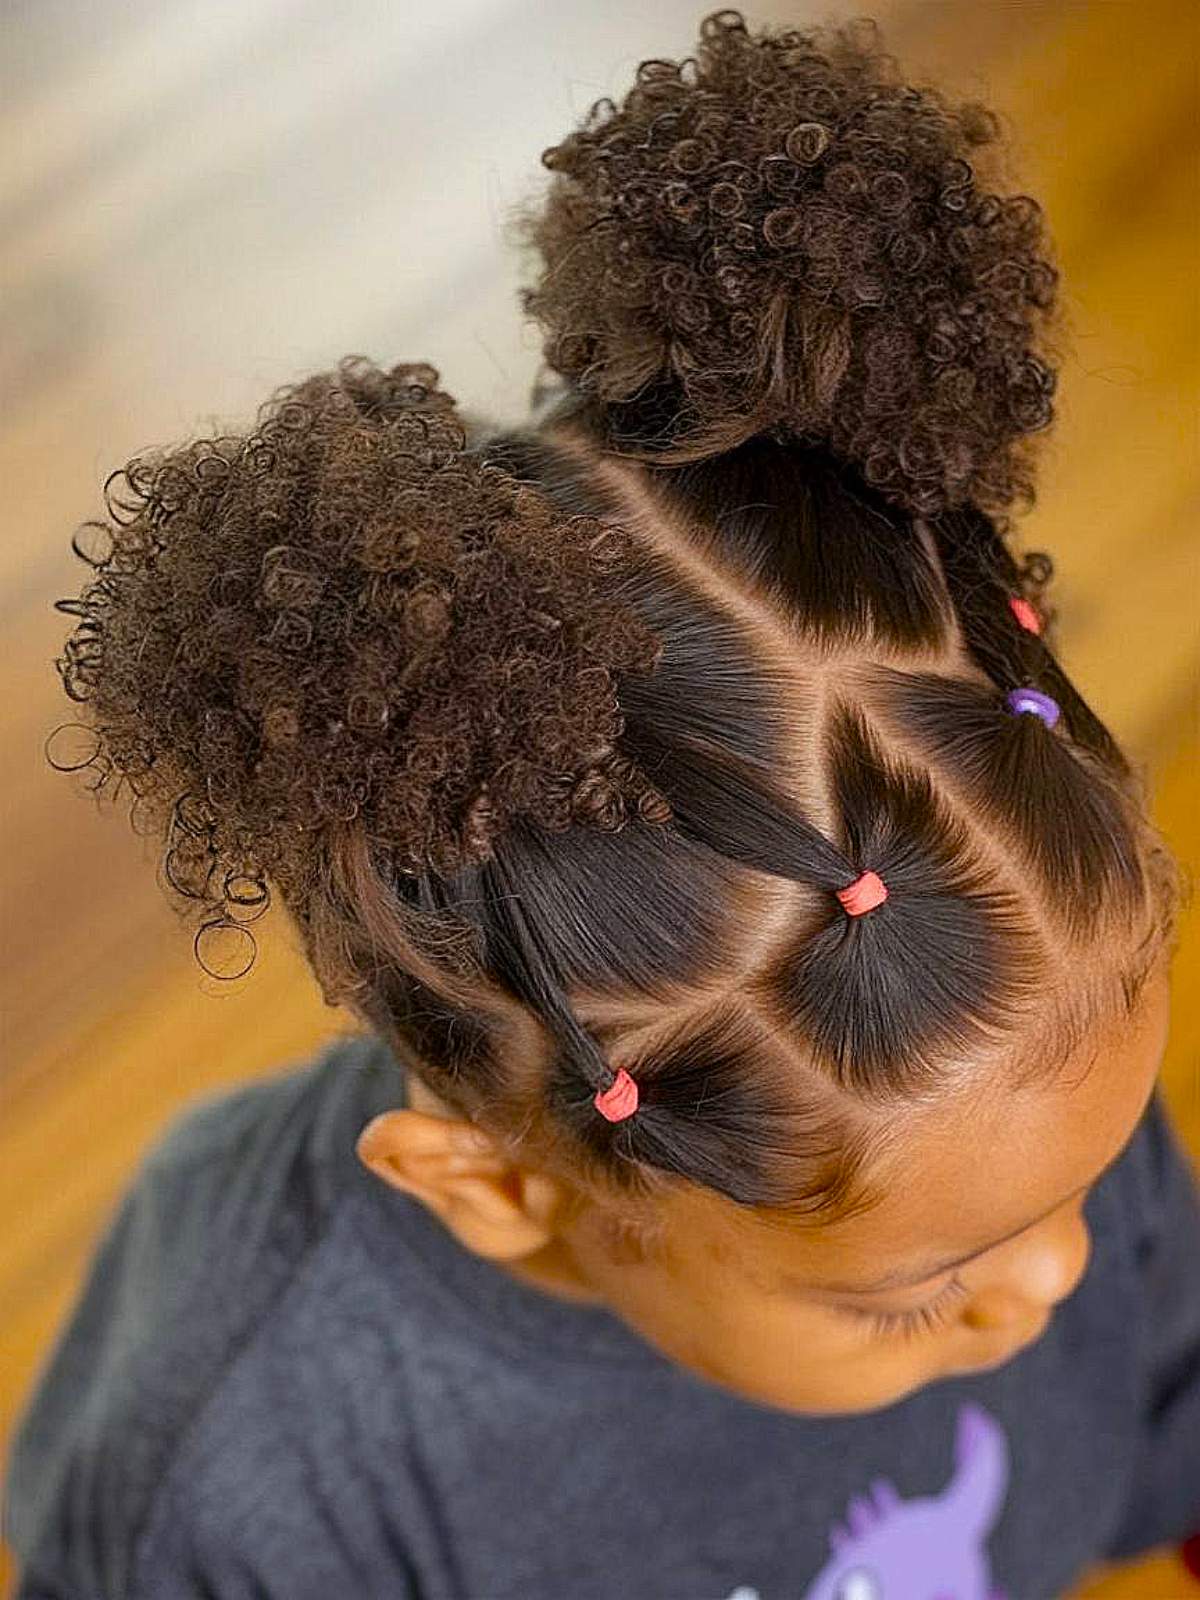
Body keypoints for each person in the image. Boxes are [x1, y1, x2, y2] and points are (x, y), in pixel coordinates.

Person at [5, 11, 1198, 1598]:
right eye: (917, 1294)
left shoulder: (1013, 1081)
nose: (1059, 1266)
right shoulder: (251, 1457)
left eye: (1093, 1177)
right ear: (505, 1195)